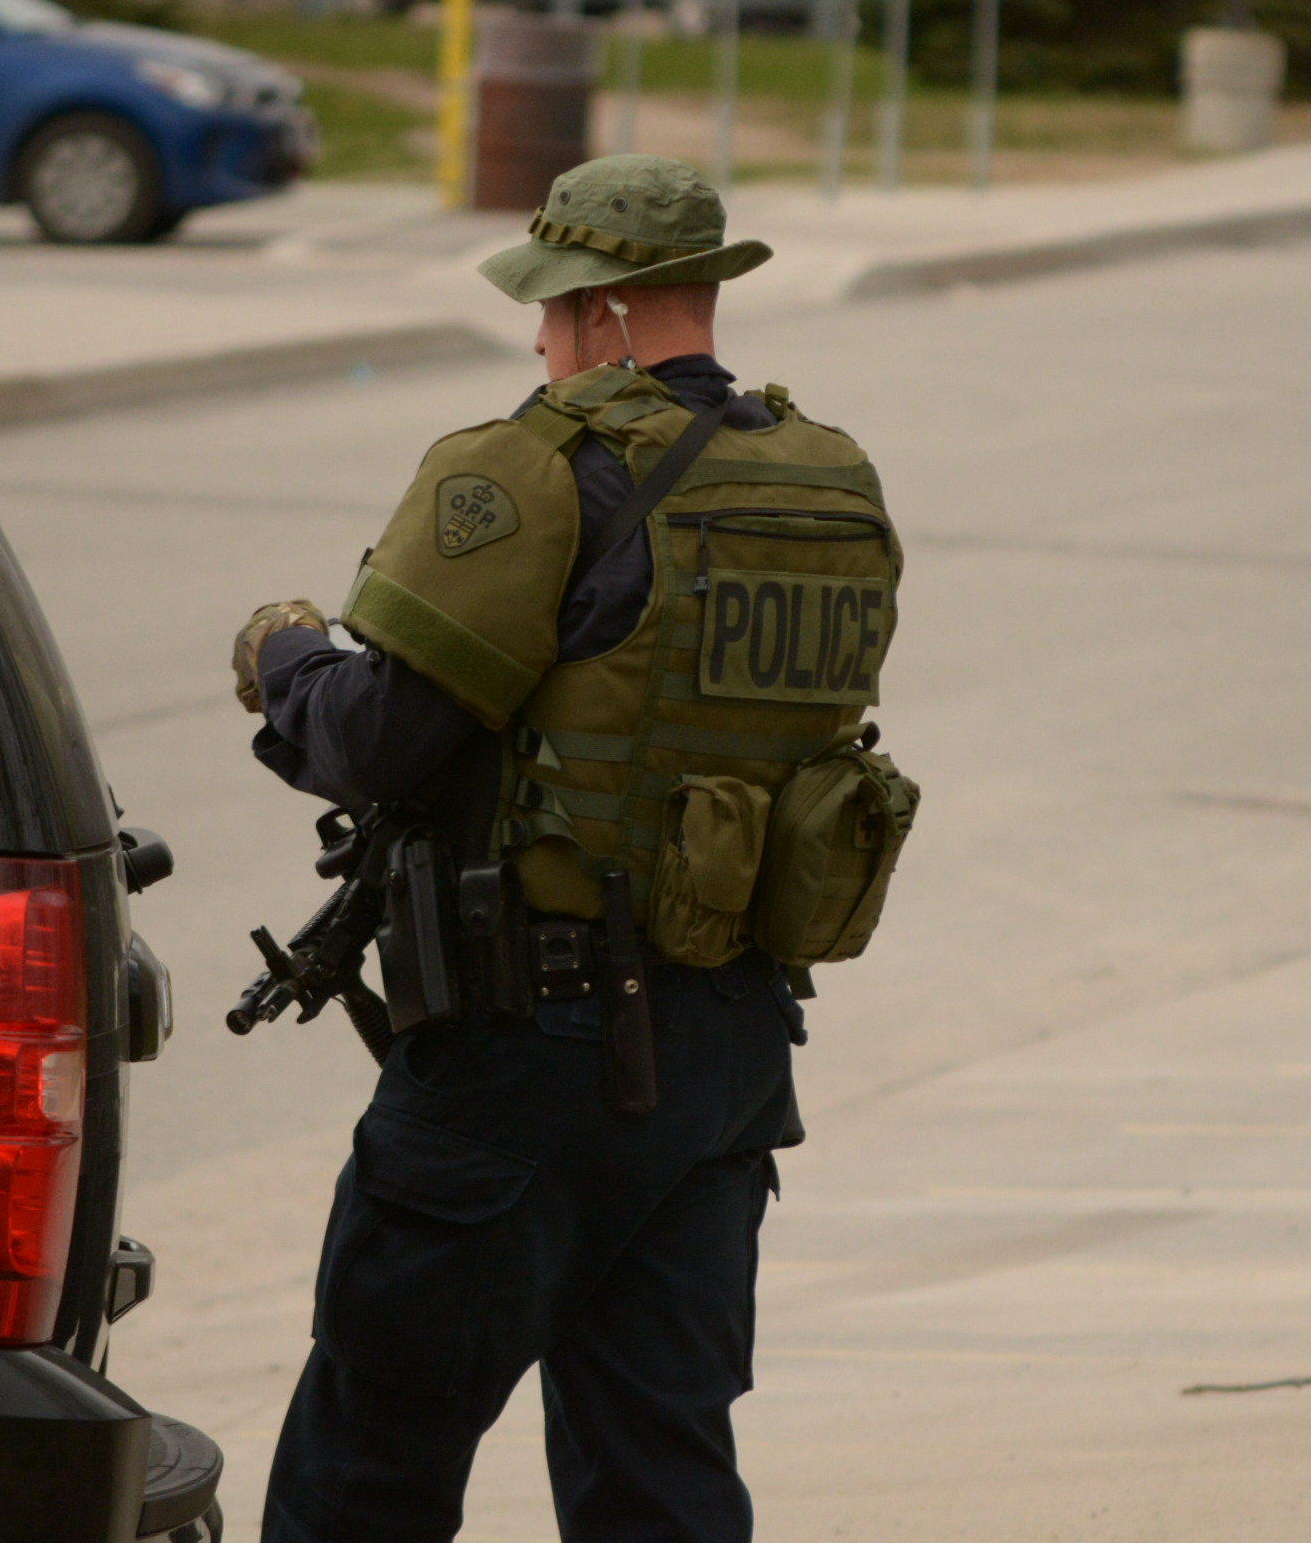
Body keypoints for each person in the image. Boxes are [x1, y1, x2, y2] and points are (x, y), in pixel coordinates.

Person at [231, 154, 909, 1543]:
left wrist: (284, 655)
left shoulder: (537, 467)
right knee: (658, 1469)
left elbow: (377, 737)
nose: (541, 340)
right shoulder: (827, 482)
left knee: (372, 1460)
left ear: (601, 309)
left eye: (550, 310)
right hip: (725, 1052)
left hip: (526, 1058)